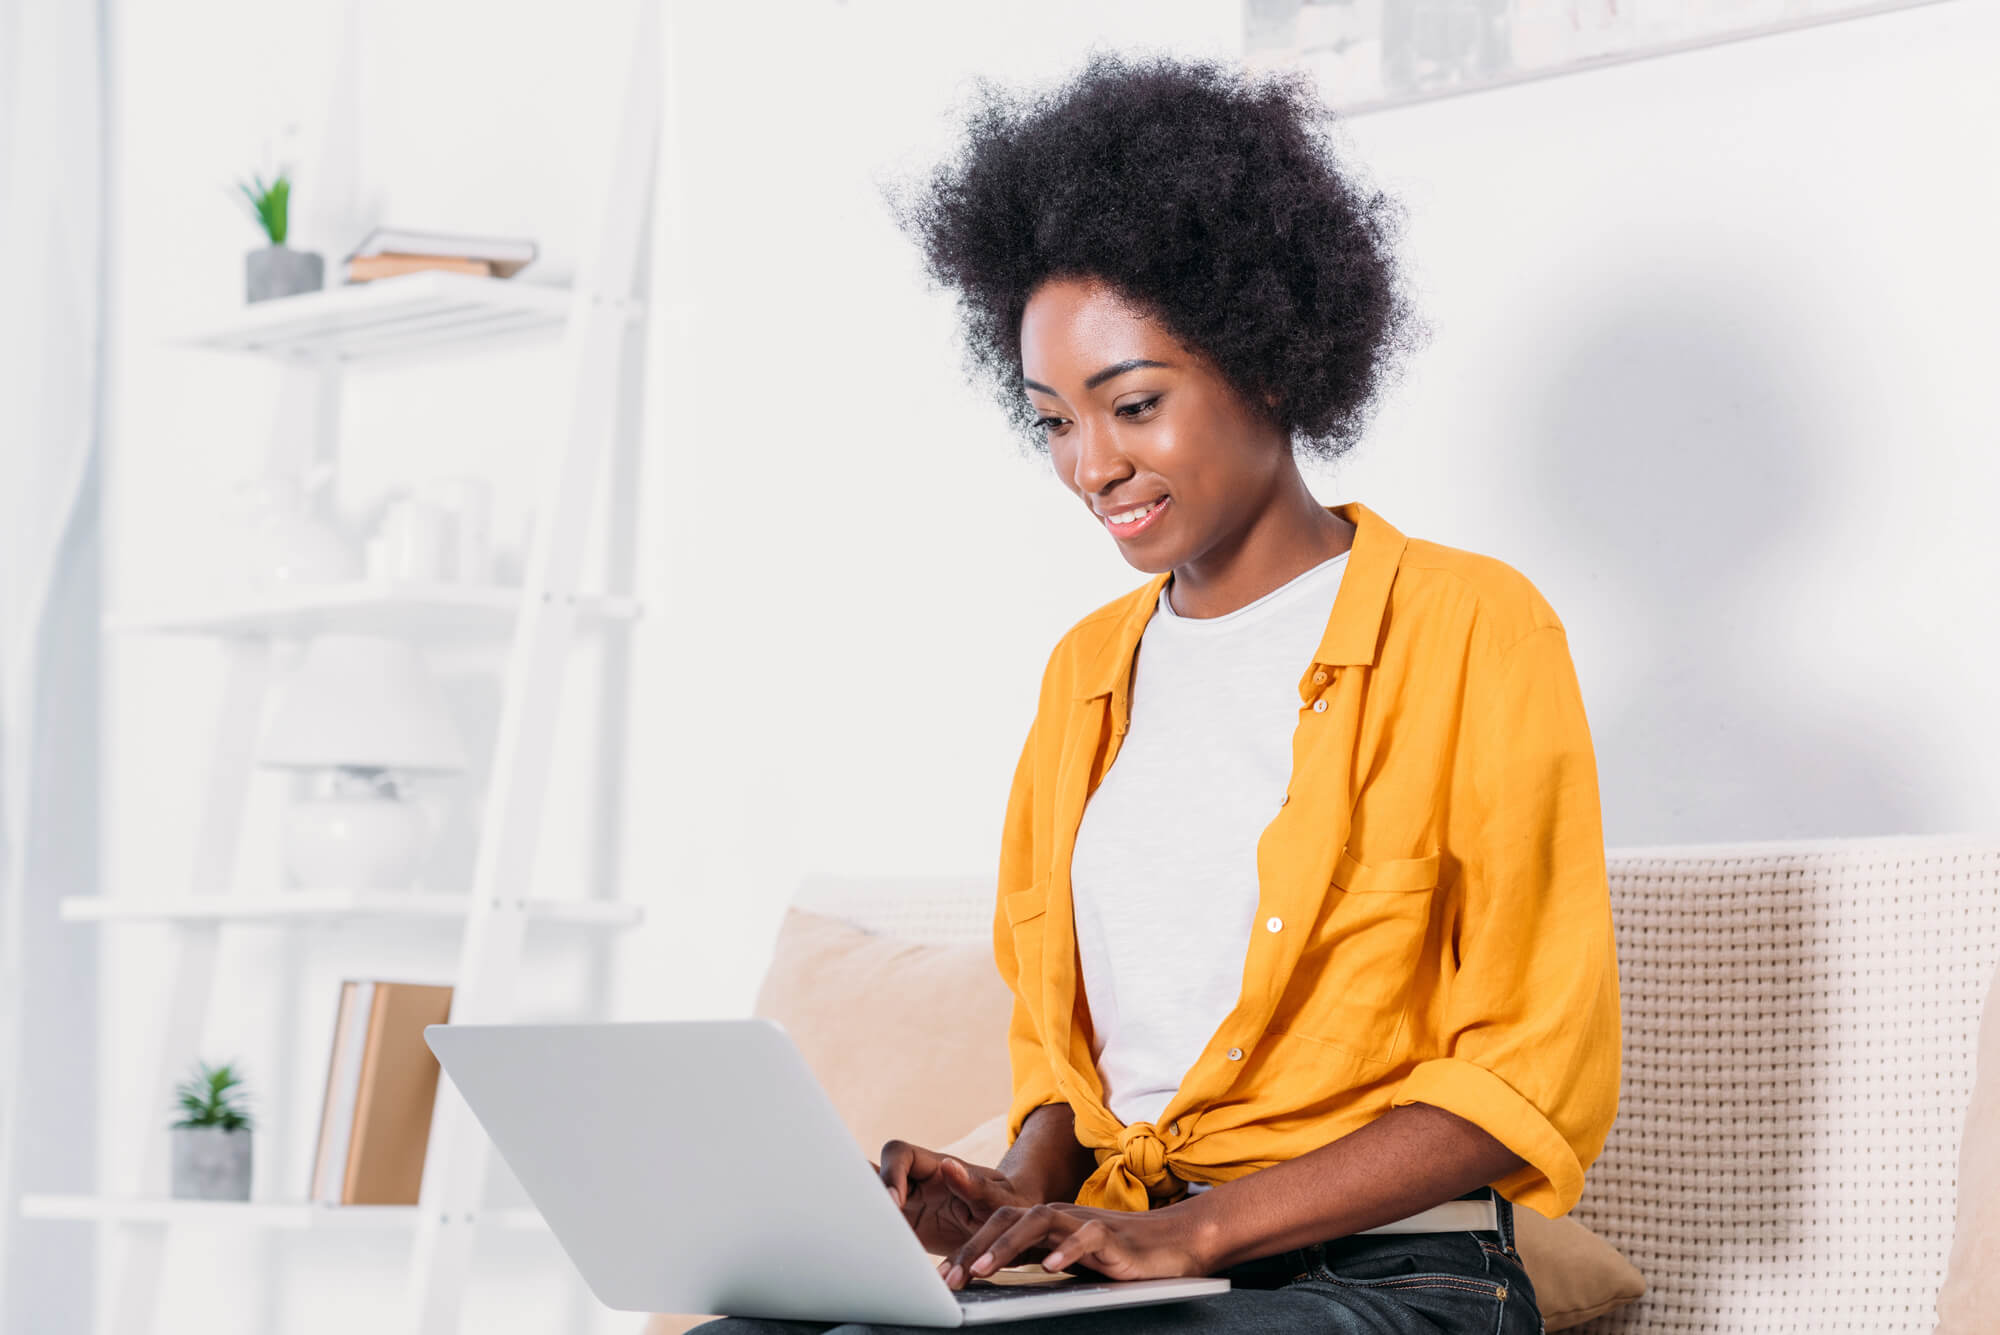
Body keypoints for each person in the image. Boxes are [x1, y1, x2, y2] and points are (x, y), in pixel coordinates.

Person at [693, 48, 1619, 1335]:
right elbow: (1070, 1067)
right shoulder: (1086, 673)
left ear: (1269, 359)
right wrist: (1011, 1198)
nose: (1090, 466)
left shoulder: (1470, 626)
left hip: (1394, 1281)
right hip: (1144, 1263)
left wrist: (1177, 1232)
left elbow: (1524, 1072)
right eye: (1052, 422)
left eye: (1129, 404)